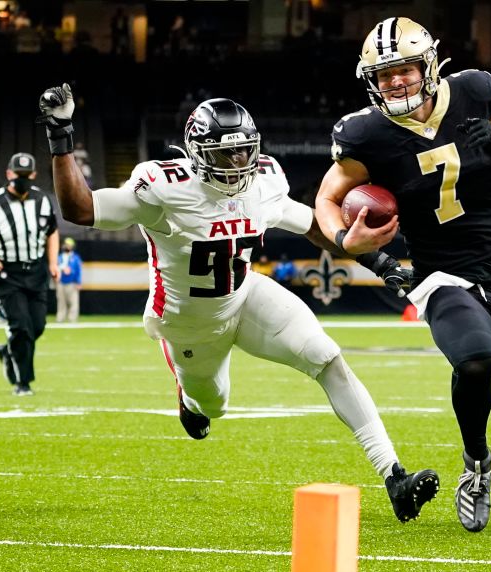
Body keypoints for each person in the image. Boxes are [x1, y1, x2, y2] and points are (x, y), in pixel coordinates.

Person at [37, 85, 439, 522]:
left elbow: (312, 226)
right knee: (213, 405)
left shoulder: (263, 181)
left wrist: (379, 260)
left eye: (245, 151)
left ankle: (394, 476)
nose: (239, 163)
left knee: (327, 357)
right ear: (197, 152)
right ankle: (189, 401)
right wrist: (61, 135)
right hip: (189, 323)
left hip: (246, 295)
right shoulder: (163, 189)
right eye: (226, 154)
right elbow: (80, 209)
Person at [313, 17, 491, 533]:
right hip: (441, 273)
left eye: (403, 69)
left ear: (429, 65)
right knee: (473, 360)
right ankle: (477, 467)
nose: (395, 81)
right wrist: (344, 240)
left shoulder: (472, 92)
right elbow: (327, 199)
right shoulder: (366, 133)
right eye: (383, 74)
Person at [0, 152, 60, 396]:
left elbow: (52, 232)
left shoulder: (43, 200)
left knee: (37, 326)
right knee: (21, 327)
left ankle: (8, 351)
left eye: (27, 175)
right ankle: (21, 382)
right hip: (6, 273)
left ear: (34, 174)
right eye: (19, 175)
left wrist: (53, 263)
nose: (23, 179)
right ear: (8, 174)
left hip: (36, 270)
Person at [57, 237, 83, 322]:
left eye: (69, 245)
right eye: (65, 244)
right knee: (61, 302)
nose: (67, 246)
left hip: (72, 282)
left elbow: (78, 270)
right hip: (61, 282)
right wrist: (62, 269)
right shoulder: (59, 257)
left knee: (73, 302)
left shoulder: (75, 258)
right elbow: (56, 267)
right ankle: (60, 318)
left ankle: (72, 318)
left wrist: (78, 282)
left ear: (72, 246)